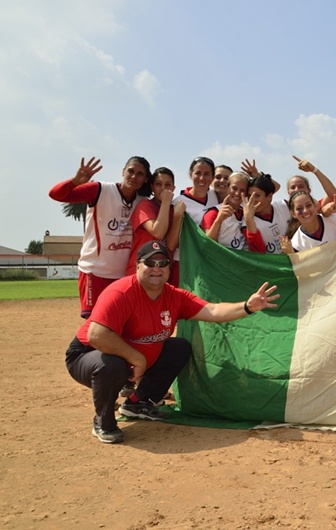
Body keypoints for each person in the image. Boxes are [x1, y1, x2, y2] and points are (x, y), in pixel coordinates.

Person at [64, 241, 280, 444]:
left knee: (178, 348)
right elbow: (97, 335)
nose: (156, 268)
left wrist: (247, 306)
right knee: (112, 365)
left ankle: (138, 403)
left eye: (162, 263)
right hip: (87, 355)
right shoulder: (121, 292)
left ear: (169, 269)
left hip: (132, 359)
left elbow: (212, 310)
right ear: (138, 266)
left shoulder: (173, 296)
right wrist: (136, 358)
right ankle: (103, 421)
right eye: (150, 263)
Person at [49, 156, 150, 318]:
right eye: (130, 171)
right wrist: (75, 181)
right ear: (123, 171)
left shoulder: (143, 202)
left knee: (118, 323)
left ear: (145, 179)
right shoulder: (100, 190)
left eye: (140, 174)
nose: (134, 176)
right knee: (95, 323)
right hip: (94, 271)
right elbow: (56, 194)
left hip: (123, 275)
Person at [126, 167, 185, 277]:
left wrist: (177, 216)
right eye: (158, 184)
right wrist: (166, 201)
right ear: (152, 187)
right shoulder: (145, 205)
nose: (163, 188)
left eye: (167, 185)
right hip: (139, 272)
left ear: (173, 188)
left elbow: (171, 245)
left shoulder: (174, 210)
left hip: (161, 273)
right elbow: (158, 232)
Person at [170, 156, 219, 285]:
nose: (202, 178)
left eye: (207, 174)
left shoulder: (215, 196)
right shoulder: (177, 202)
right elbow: (171, 243)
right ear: (190, 174)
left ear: (213, 177)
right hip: (183, 262)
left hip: (206, 263)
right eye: (198, 173)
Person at [202, 171, 248, 250]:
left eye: (242, 190)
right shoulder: (214, 212)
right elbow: (207, 244)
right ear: (227, 188)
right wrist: (219, 220)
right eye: (234, 188)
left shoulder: (247, 213)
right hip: (221, 261)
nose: (237, 193)